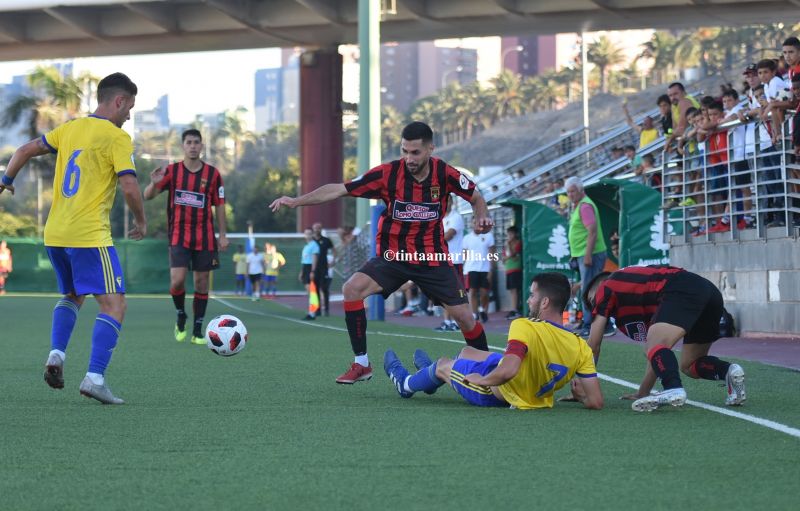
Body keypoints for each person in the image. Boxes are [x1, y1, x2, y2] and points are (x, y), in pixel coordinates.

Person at [270, 121, 493, 384]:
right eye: (404, 151)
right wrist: (297, 201)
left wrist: (483, 216)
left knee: (465, 317)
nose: (409, 158)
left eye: (415, 153)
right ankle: (361, 363)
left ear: (430, 149)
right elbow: (340, 188)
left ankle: (489, 370)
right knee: (352, 289)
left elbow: (476, 196)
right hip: (394, 258)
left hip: (431, 258)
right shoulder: (387, 174)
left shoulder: (445, 173)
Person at [0, 72, 145, 404]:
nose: (129, 115)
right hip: (88, 235)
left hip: (55, 233)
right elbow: (129, 185)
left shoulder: (70, 128)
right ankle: (94, 378)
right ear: (119, 101)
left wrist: (6, 179)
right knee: (115, 304)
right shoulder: (116, 137)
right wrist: (140, 220)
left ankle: (57, 354)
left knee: (72, 294)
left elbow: (23, 150)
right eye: (130, 107)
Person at [382, 272, 603, 410]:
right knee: (468, 351)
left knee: (442, 364)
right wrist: (580, 396)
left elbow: (508, 370)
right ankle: (430, 380)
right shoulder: (580, 346)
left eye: (532, 295)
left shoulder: (524, 325)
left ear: (544, 302)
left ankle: (407, 384)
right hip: (527, 386)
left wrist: (482, 380)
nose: (528, 300)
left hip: (499, 393)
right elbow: (596, 401)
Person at [582, 266, 746, 412]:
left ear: (598, 287)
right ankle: (729, 371)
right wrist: (642, 392)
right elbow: (657, 357)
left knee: (655, 346)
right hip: (708, 292)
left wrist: (583, 386)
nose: (594, 306)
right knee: (689, 364)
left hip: (682, 287)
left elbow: (593, 345)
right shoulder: (639, 295)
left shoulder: (606, 286)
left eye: (592, 300)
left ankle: (673, 388)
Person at [144, 129, 229, 345]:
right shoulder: (172, 172)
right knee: (178, 280)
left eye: (196, 142)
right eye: (189, 142)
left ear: (201, 146)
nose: (192, 146)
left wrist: (223, 235)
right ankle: (180, 314)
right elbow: (147, 196)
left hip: (206, 236)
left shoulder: (213, 174)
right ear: (183, 146)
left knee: (201, 283)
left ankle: (198, 330)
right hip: (178, 235)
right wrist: (154, 183)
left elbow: (220, 205)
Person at [564, 176, 611, 338]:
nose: (570, 194)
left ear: (580, 190)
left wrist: (588, 255)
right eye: (568, 192)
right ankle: (595, 323)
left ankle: (591, 324)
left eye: (572, 191)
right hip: (582, 253)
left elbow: (592, 231)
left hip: (590, 253)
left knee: (589, 290)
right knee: (589, 287)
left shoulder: (585, 206)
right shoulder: (580, 205)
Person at [435, 194, 465, 331]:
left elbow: (448, 235)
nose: (445, 203)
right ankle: (447, 321)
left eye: (448, 200)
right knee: (444, 292)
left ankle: (456, 321)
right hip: (443, 260)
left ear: (452, 202)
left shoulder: (456, 217)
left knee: (454, 292)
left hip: (454, 260)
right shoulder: (440, 218)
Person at [462, 225, 496, 323]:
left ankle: (482, 310)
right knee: (472, 292)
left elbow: (492, 255)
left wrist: (491, 270)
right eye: (473, 223)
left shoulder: (488, 236)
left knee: (484, 293)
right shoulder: (467, 238)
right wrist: (463, 271)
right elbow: (464, 255)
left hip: (485, 269)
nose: (475, 225)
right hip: (471, 269)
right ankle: (475, 314)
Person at [312, 222, 336, 316]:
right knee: (316, 288)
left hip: (324, 267)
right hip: (314, 268)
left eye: (319, 228)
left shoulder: (326, 240)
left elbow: (334, 250)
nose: (317, 229)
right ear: (313, 229)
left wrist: (333, 260)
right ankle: (317, 309)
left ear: (321, 229)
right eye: (315, 228)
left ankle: (326, 310)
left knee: (324, 288)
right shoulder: (312, 241)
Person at [503, 225, 523, 320]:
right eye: (508, 234)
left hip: (516, 269)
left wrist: (508, 246)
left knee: (515, 290)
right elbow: (504, 257)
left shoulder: (518, 243)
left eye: (511, 233)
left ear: (515, 234)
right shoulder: (506, 244)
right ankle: (513, 309)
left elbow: (513, 254)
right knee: (511, 290)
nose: (509, 235)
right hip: (508, 269)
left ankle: (515, 310)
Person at [299, 227, 320, 320]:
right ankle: (312, 311)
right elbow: (304, 260)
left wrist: (313, 271)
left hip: (310, 268)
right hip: (305, 268)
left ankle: (312, 313)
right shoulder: (306, 246)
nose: (307, 235)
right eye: (306, 233)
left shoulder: (314, 245)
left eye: (309, 233)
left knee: (312, 292)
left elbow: (314, 259)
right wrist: (301, 272)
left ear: (312, 234)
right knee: (309, 292)